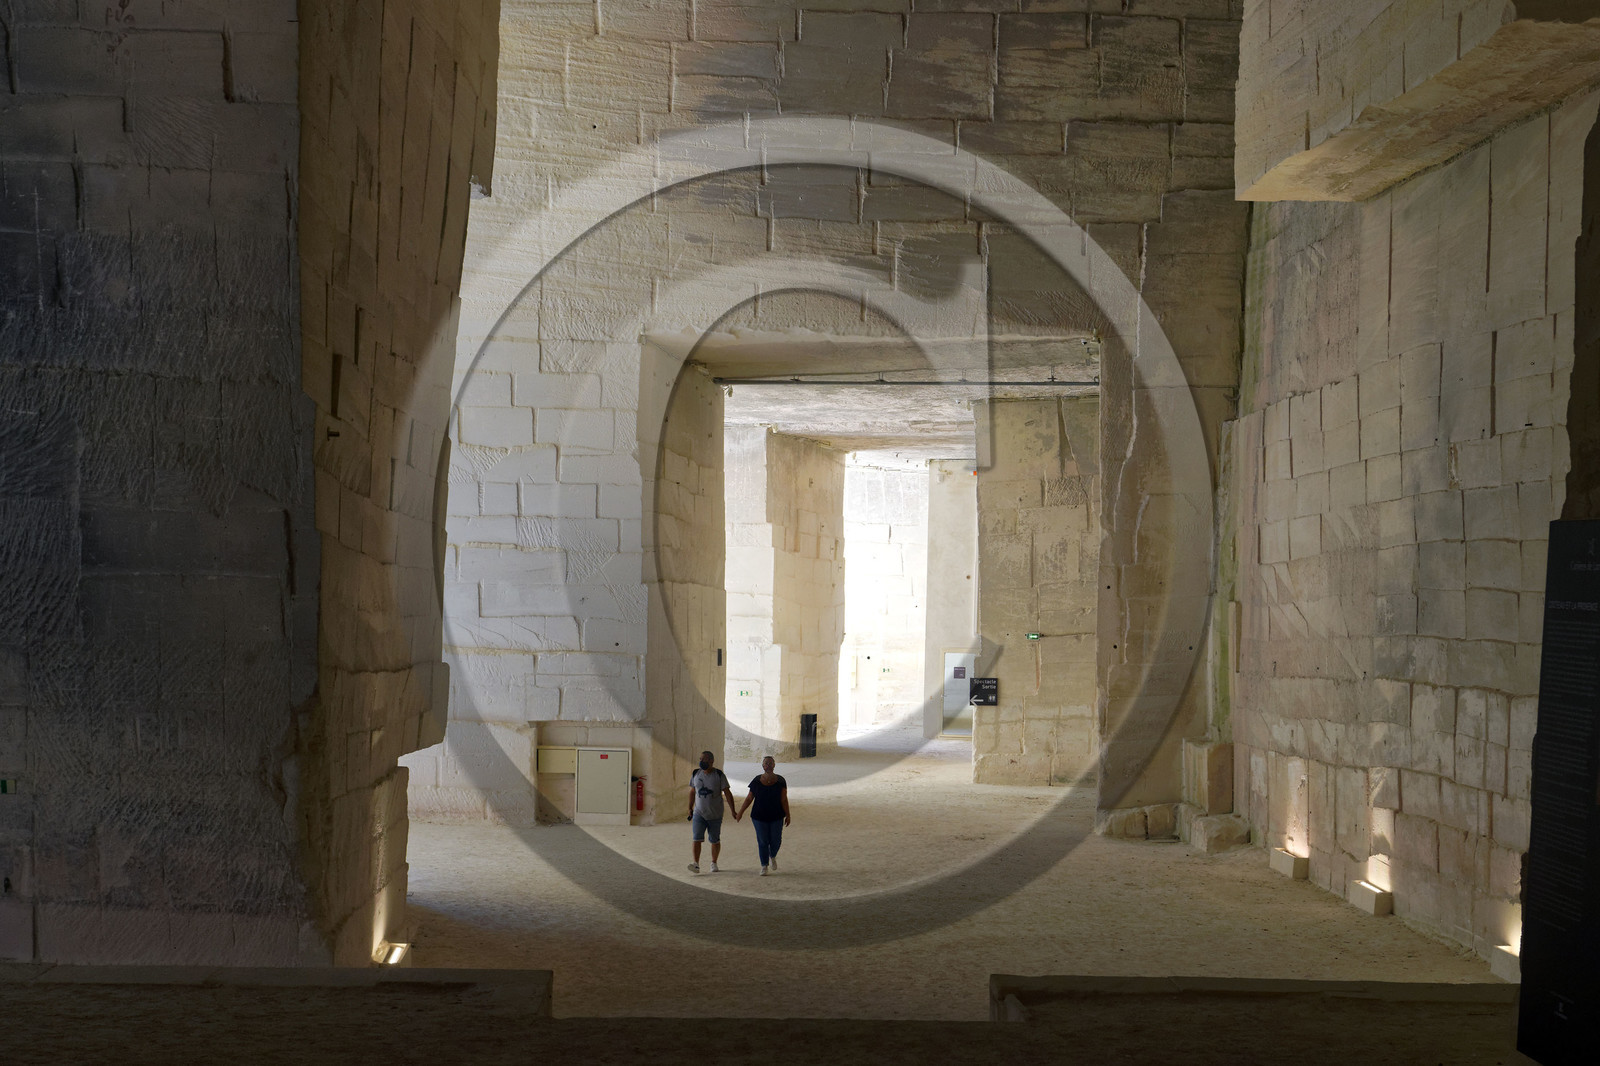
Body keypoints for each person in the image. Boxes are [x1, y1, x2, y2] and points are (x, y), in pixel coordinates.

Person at [734, 755, 789, 876]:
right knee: (763, 841)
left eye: (770, 763)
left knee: (776, 840)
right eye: (766, 763)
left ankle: (772, 855)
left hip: (776, 815)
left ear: (774, 765)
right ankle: (764, 865)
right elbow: (749, 798)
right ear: (763, 766)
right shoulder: (756, 781)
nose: (768, 765)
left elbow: (784, 799)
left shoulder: (781, 781)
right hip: (759, 816)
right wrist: (741, 812)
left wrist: (788, 814)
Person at [686, 750, 737, 873]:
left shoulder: (719, 775)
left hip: (715, 814)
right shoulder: (696, 773)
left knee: (715, 839)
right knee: (696, 838)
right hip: (699, 813)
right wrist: (690, 807)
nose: (701, 761)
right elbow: (693, 791)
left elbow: (727, 793)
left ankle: (714, 862)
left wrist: (733, 810)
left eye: (704, 759)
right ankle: (696, 864)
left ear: (711, 761)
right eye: (700, 759)